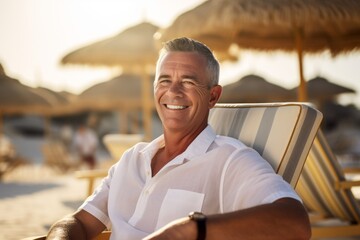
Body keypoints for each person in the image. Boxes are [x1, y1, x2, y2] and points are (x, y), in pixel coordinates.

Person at [47, 37, 311, 239]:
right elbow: (80, 222)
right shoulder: (132, 159)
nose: (173, 91)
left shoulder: (229, 160)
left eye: (188, 81)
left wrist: (190, 229)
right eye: (164, 80)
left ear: (213, 96)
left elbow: (296, 223)